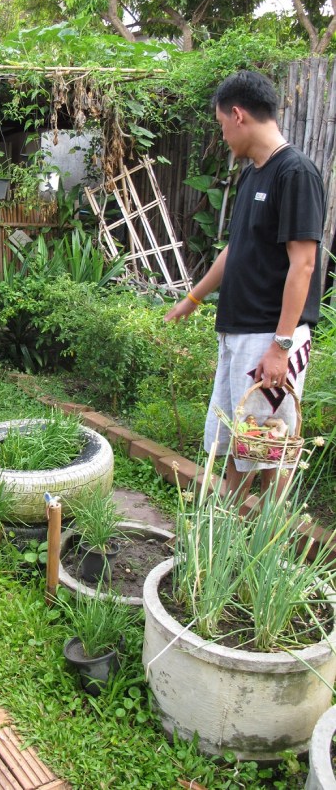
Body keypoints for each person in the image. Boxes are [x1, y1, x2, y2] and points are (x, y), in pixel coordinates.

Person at [165, 70, 325, 498]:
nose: (223, 137)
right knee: (239, 444)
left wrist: (282, 345)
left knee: (269, 448)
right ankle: (225, 542)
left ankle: (253, 545)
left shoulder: (295, 174)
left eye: (220, 125)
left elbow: (304, 265)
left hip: (269, 338)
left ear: (238, 115)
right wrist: (193, 299)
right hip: (240, 334)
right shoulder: (255, 174)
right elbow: (234, 251)